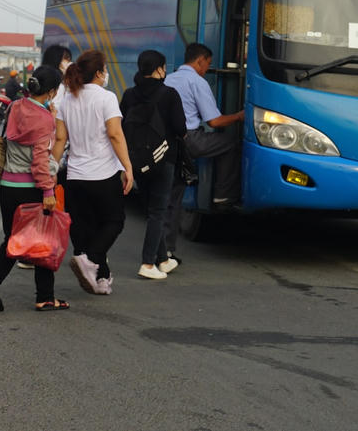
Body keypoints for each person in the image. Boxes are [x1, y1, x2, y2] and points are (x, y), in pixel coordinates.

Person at [0, 65, 69, 312]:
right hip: (31, 188)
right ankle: (38, 295)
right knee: (44, 240)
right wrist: (48, 191)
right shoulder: (45, 120)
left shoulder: (15, 106)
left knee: (14, 238)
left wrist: (46, 112)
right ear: (51, 91)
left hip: (7, 185)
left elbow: (24, 132)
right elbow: (40, 160)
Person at [52, 50, 133, 296]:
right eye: (105, 69)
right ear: (98, 73)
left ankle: (101, 278)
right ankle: (91, 260)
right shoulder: (106, 98)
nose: (106, 73)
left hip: (75, 175)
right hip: (103, 174)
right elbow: (115, 134)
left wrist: (51, 169)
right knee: (113, 221)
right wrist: (128, 167)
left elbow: (59, 139)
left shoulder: (67, 100)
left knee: (86, 228)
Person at [119, 50, 186, 280]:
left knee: (151, 211)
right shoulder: (169, 94)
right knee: (158, 212)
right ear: (158, 69)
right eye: (164, 67)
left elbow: (121, 124)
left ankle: (163, 261)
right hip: (164, 159)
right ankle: (148, 264)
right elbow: (180, 128)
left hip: (137, 161)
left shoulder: (129, 95)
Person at [165, 43, 245, 207]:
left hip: (166, 139)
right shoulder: (197, 82)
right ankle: (223, 195)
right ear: (200, 61)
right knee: (231, 144)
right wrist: (238, 116)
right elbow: (214, 121)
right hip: (189, 139)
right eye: (208, 64)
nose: (207, 69)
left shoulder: (169, 78)